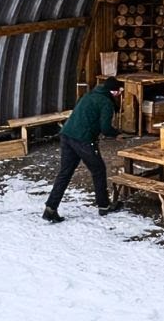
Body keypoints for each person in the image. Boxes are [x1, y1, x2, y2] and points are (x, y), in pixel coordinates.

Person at [43, 77, 125, 222]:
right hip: (83, 140)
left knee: (65, 172)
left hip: (67, 136)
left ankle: (50, 208)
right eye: (119, 91)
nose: (120, 94)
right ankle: (104, 206)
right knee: (98, 170)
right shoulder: (106, 102)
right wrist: (117, 134)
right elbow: (105, 128)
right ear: (114, 91)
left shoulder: (89, 95)